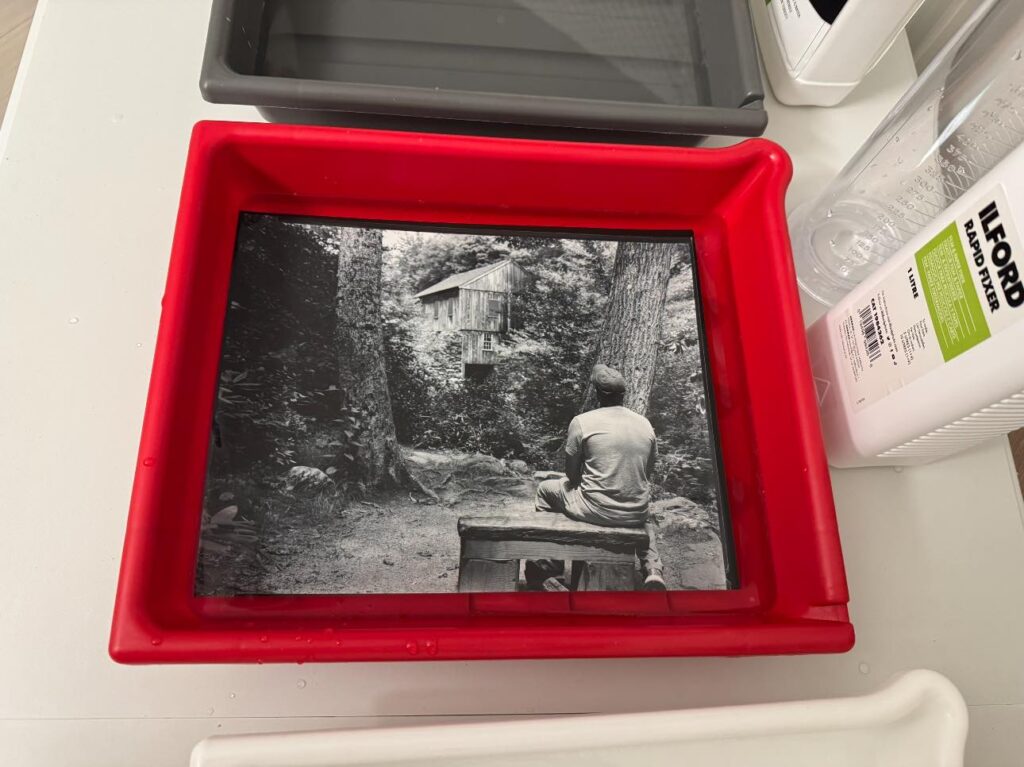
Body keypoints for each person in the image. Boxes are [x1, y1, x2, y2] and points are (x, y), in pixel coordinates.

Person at [528, 364, 665, 591]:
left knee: (545, 489)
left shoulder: (582, 421)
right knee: (644, 516)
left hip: (597, 510)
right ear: (624, 394)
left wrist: (587, 482)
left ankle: (549, 566)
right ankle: (653, 571)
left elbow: (571, 475)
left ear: (597, 394)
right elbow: (646, 473)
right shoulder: (645, 423)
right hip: (635, 511)